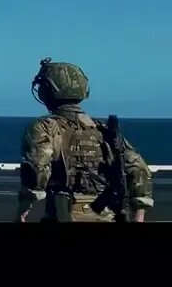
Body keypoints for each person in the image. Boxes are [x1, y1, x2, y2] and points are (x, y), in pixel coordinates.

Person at [17, 58, 154, 223]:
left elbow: (37, 171)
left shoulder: (45, 127)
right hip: (108, 216)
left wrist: (23, 209)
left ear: (48, 90)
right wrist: (139, 217)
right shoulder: (103, 129)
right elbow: (139, 171)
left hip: (66, 214)